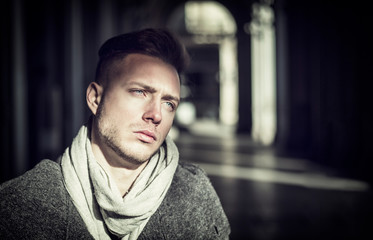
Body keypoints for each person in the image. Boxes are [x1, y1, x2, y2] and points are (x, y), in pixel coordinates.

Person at [0, 28, 230, 239]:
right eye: (140, 92)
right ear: (95, 98)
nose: (156, 115)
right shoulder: (22, 203)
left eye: (169, 103)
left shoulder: (195, 196)